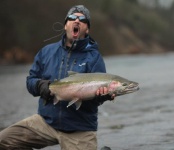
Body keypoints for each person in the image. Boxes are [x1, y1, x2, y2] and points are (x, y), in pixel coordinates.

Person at [0, 5, 114, 150]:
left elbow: (97, 100)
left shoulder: (94, 58)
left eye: (82, 19)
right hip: (46, 121)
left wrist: (103, 96)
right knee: (3, 140)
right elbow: (30, 81)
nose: (77, 21)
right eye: (72, 18)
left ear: (87, 29)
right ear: (66, 25)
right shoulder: (46, 52)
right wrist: (41, 86)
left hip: (79, 128)